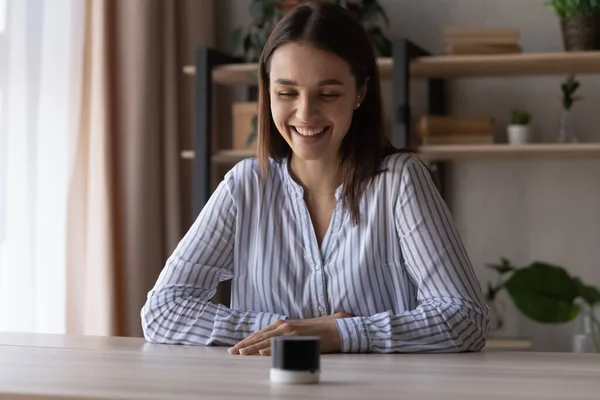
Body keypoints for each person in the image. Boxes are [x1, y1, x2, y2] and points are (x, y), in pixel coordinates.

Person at [141, 1, 489, 355]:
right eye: (287, 93)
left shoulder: (400, 182)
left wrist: (343, 334)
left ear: (360, 93)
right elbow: (162, 312)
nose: (305, 114)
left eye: (328, 94)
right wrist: (286, 331)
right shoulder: (244, 186)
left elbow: (464, 318)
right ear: (267, 92)